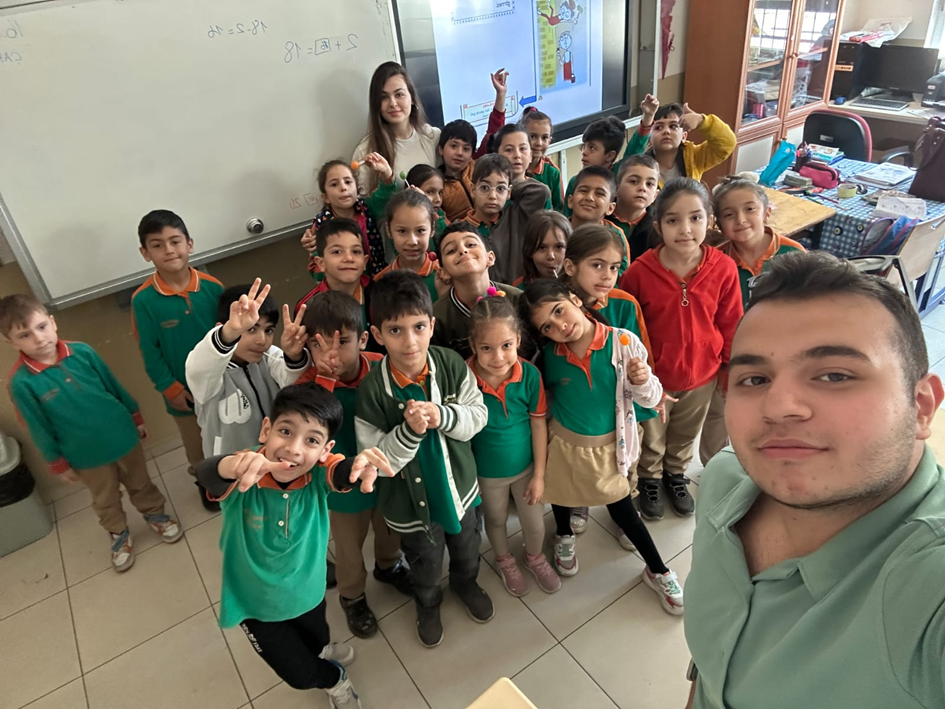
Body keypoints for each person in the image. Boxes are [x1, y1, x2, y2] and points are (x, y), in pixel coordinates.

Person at [683, 251, 945, 709]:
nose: (779, 406)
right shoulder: (725, 477)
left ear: (921, 406)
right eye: (755, 379)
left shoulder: (928, 588)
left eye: (835, 375)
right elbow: (710, 668)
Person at [197, 383, 395, 708]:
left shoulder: (317, 476)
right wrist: (230, 466)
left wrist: (358, 467)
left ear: (325, 450)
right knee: (300, 675)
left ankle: (321, 652)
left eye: (312, 440)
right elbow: (208, 474)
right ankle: (334, 679)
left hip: (308, 592)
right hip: (255, 605)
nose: (294, 448)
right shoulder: (244, 476)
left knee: (317, 639)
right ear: (266, 429)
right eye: (286, 431)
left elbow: (340, 472)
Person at [518, 280, 684, 614]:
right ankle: (563, 533)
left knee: (623, 509)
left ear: (575, 299)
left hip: (610, 448)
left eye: (559, 311)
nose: (560, 326)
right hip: (564, 444)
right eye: (547, 326)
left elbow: (650, 398)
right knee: (561, 495)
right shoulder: (550, 357)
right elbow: (543, 398)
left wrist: (642, 381)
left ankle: (658, 570)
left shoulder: (623, 342)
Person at [354, 270, 491, 648]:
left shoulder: (450, 364)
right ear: (378, 334)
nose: (410, 341)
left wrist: (443, 416)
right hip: (411, 508)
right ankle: (428, 603)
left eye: (418, 327)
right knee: (425, 563)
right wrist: (410, 431)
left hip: (460, 491)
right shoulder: (372, 391)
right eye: (395, 331)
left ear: (431, 325)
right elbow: (377, 461)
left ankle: (466, 584)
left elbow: (478, 416)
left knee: (467, 548)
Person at [3, 294, 181, 572]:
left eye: (41, 327)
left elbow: (113, 385)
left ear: (52, 323)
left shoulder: (83, 352)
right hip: (84, 455)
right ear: (11, 342)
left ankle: (156, 514)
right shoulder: (21, 383)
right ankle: (118, 534)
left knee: (141, 483)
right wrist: (57, 462)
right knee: (105, 498)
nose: (38, 339)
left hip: (123, 437)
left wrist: (135, 416)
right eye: (25, 335)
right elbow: (37, 427)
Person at [620, 179, 743, 520]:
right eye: (673, 220)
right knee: (652, 433)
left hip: (703, 374)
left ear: (709, 221)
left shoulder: (723, 268)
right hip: (653, 378)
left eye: (695, 218)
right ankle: (649, 478)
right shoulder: (638, 273)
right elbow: (629, 329)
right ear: (658, 226)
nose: (685, 229)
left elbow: (731, 323)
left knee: (686, 433)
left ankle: (675, 474)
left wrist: (728, 368)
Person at [296, 292, 414, 639]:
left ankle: (389, 566)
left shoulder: (381, 365)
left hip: (385, 476)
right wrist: (326, 380)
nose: (331, 354)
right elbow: (309, 428)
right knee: (348, 549)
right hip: (342, 488)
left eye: (343, 341)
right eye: (318, 345)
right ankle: (352, 595)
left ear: (363, 339)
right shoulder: (307, 385)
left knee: (389, 529)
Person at [698, 176, 806, 467]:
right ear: (718, 223)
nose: (741, 220)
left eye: (749, 209)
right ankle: (716, 471)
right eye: (729, 214)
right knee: (720, 415)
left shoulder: (793, 255)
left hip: (783, 356)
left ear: (767, 212)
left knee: (774, 413)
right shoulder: (715, 261)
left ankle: (767, 469)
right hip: (730, 359)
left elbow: (808, 311)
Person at [560, 225, 659, 539]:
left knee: (624, 465)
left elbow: (641, 358)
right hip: (577, 413)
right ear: (570, 266)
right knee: (579, 466)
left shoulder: (624, 303)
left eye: (614, 267)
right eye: (597, 265)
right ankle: (580, 504)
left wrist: (647, 390)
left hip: (621, 410)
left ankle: (625, 510)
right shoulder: (557, 306)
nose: (607, 275)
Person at [466, 295, 560, 596]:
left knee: (534, 523)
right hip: (486, 474)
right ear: (472, 345)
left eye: (506, 345)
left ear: (518, 340)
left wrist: (539, 475)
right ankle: (504, 559)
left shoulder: (530, 375)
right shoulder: (464, 379)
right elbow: (460, 435)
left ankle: (534, 556)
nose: (498, 357)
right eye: (486, 348)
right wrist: (471, 479)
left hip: (526, 469)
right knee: (495, 521)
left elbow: (538, 425)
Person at [133, 209, 224, 509]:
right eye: (157, 245)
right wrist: (170, 389)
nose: (169, 250)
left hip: (223, 383)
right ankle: (207, 485)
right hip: (184, 393)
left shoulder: (212, 287)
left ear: (190, 244)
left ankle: (235, 476)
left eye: (175, 241)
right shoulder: (143, 300)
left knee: (229, 432)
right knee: (197, 447)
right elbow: (150, 352)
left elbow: (231, 336)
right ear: (145, 253)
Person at [186, 279, 311, 461]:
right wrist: (229, 332)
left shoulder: (269, 357)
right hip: (231, 470)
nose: (262, 340)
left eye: (268, 330)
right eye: (251, 329)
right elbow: (198, 368)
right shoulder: (209, 373)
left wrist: (294, 357)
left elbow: (294, 385)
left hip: (275, 463)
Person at [432, 223, 522, 360]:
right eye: (451, 251)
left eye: (471, 245)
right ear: (443, 272)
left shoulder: (518, 300)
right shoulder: (437, 319)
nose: (463, 250)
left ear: (490, 258)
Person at [300, 155, 396, 279]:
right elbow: (317, 266)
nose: (343, 188)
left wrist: (386, 173)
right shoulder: (322, 224)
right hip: (344, 284)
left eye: (348, 182)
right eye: (334, 184)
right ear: (326, 197)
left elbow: (384, 196)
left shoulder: (367, 207)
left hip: (377, 278)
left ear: (357, 188)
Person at [352, 62, 441, 197]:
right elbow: (366, 206)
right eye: (384, 97)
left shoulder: (433, 137)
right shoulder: (366, 152)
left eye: (399, 95)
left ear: (412, 98)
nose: (393, 103)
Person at [464, 154, 551, 283]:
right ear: (472, 190)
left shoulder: (516, 215)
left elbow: (541, 191)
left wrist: (508, 187)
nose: (492, 196)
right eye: (484, 188)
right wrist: (503, 187)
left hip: (519, 291)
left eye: (500, 189)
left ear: (509, 192)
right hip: (485, 294)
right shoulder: (462, 230)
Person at [439, 69, 509, 222]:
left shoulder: (478, 166)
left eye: (466, 148)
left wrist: (501, 94)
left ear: (472, 153)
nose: (459, 153)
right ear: (441, 149)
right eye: (453, 146)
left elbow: (494, 131)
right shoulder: (438, 183)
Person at [295, 220, 374, 330]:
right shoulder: (306, 308)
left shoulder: (382, 294)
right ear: (321, 263)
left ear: (364, 262)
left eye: (356, 251)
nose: (349, 258)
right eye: (337, 252)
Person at [374, 190, 449, 304]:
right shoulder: (381, 281)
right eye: (402, 231)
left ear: (432, 229)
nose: (412, 241)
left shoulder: (444, 277)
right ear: (388, 230)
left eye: (420, 231)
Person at [646, 102, 736, 186]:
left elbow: (727, 143)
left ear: (684, 136)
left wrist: (702, 121)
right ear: (648, 139)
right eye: (658, 127)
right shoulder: (642, 165)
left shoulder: (694, 157)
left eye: (673, 126)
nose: (666, 131)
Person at [567, 166, 632, 275]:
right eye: (583, 191)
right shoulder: (557, 231)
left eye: (599, 193)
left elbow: (621, 278)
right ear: (570, 201)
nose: (589, 197)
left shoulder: (616, 236)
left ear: (610, 208)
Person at [563, 115, 626, 217]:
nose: (584, 152)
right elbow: (566, 219)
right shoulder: (574, 182)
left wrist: (647, 119)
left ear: (610, 156)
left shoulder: (617, 177)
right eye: (584, 146)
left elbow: (634, 151)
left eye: (592, 148)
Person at [610, 154, 660, 263]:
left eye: (649, 184)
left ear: (655, 195)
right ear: (616, 188)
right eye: (634, 181)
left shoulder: (658, 227)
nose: (642, 188)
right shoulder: (601, 219)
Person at [522, 108, 565, 212]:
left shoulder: (553, 173)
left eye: (544, 138)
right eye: (533, 136)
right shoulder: (514, 169)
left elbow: (559, 209)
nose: (539, 143)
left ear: (550, 140)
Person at [515, 210, 572, 286]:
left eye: (558, 247)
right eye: (542, 248)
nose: (551, 256)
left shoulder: (580, 288)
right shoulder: (518, 290)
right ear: (530, 251)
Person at [405, 164, 449, 241]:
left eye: (440, 193)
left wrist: (433, 215)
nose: (438, 199)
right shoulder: (403, 219)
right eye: (430, 192)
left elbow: (448, 238)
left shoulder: (440, 216)